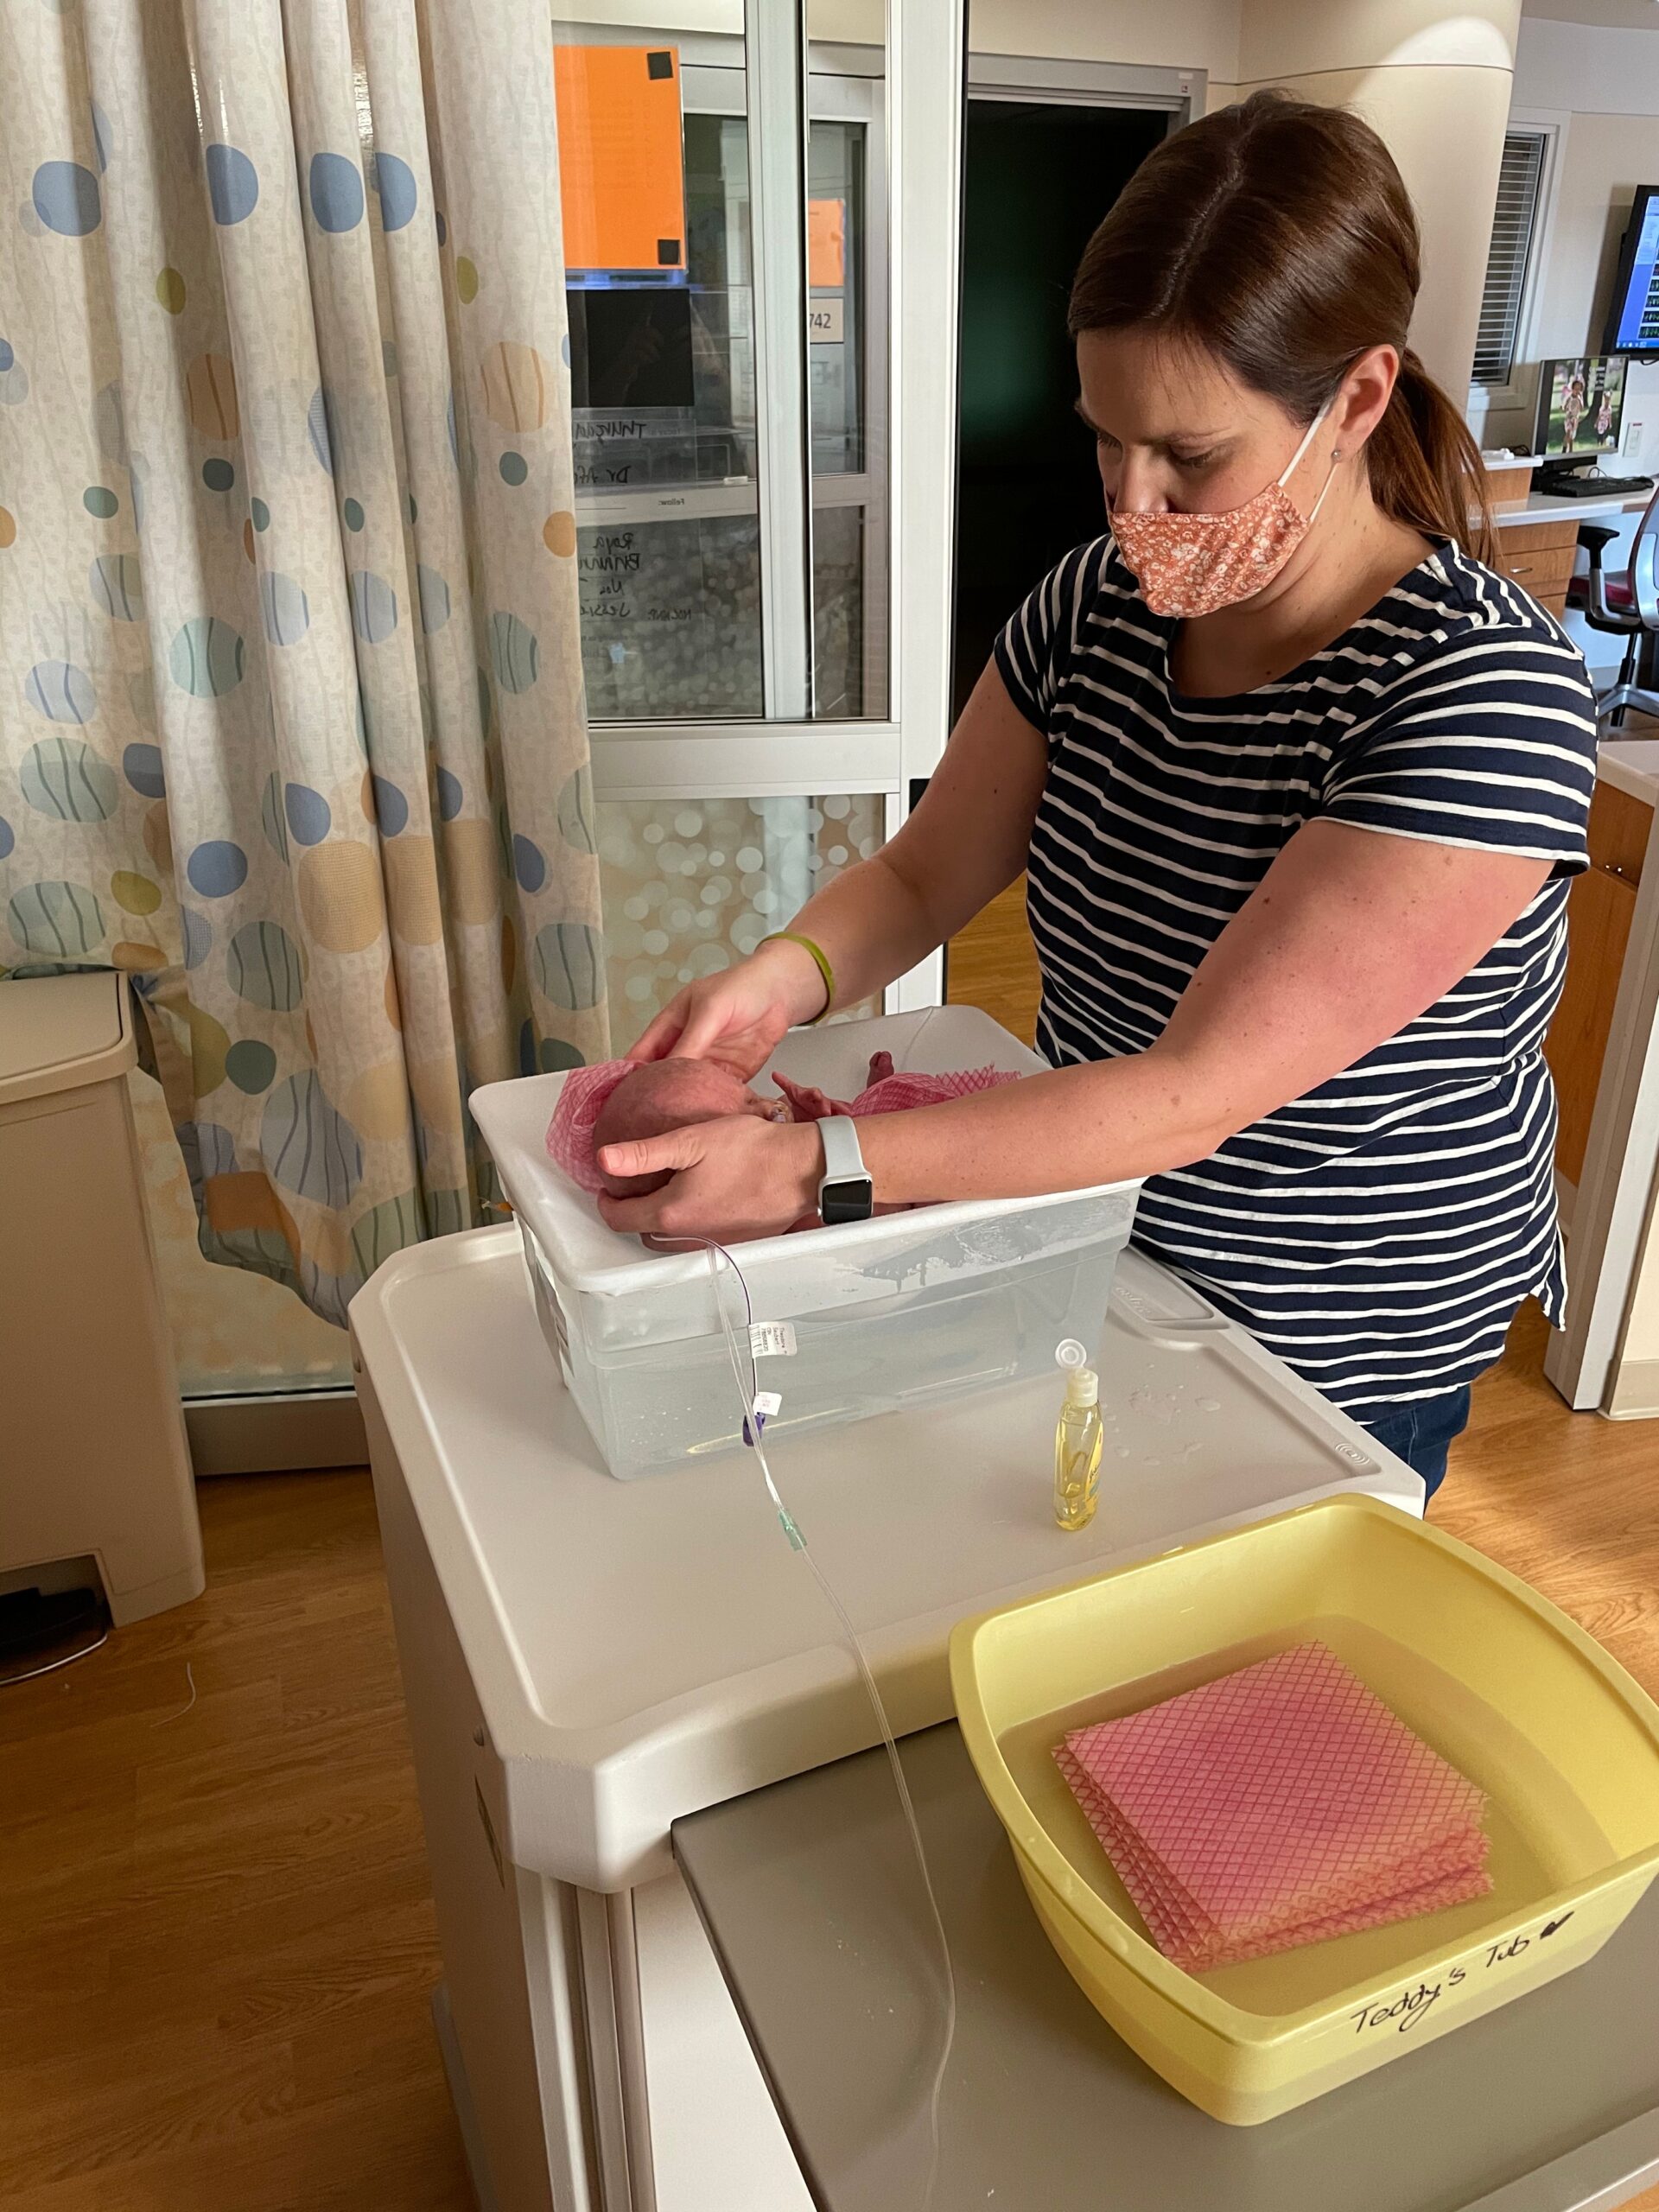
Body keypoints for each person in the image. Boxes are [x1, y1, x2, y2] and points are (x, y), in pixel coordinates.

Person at [595, 92, 1598, 1500]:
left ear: (1358, 401)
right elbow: (922, 876)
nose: (1133, 506)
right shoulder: (1094, 607)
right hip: (1086, 1230)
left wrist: (818, 1167)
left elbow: (1196, 1093)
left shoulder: (1479, 696)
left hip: (1334, 1322)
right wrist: (787, 973)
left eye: (1191, 458)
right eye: (1106, 440)